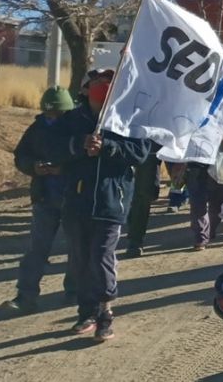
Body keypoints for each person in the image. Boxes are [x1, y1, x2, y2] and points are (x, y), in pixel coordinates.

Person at [48, 71, 151, 341]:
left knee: (101, 256)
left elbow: (140, 153)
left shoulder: (127, 118)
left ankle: (106, 312)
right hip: (76, 202)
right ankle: (87, 312)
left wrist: (108, 147)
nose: (102, 88)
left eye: (109, 83)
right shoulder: (72, 120)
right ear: (85, 89)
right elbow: (50, 148)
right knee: (80, 257)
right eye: (97, 83)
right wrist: (78, 145)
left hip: (111, 202)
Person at [2, 86, 77, 313]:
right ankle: (25, 296)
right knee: (37, 248)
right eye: (47, 114)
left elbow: (87, 159)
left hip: (74, 198)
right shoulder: (37, 128)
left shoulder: (78, 127)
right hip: (45, 197)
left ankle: (73, 292)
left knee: (76, 248)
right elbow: (21, 156)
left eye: (56, 115)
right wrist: (33, 167)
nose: (51, 119)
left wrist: (63, 169)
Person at [175, 104, 223, 250]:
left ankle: (211, 231)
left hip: (220, 170)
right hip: (195, 167)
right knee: (197, 204)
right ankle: (201, 238)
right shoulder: (191, 118)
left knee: (216, 204)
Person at [124, 151, 161, 259]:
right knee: (138, 195)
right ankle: (134, 238)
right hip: (127, 143)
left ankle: (135, 239)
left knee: (144, 195)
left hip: (150, 149)